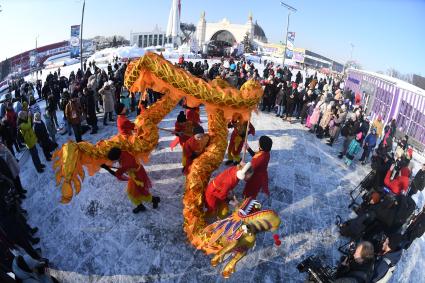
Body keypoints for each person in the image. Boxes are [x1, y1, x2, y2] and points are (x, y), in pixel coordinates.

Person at [101, 147, 160, 213]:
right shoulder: (123, 151)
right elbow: (120, 167)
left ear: (117, 158)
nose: (112, 162)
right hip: (138, 172)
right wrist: (107, 166)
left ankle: (154, 200)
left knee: (141, 194)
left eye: (113, 160)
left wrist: (107, 169)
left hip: (138, 178)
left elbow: (117, 174)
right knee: (131, 193)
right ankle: (140, 206)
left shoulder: (125, 164)